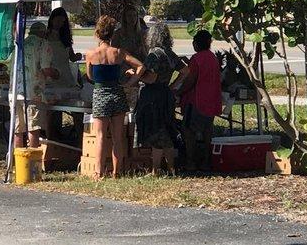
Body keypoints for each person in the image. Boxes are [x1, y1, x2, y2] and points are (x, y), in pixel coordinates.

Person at [86, 15, 144, 179]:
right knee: (118, 136)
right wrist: (130, 82)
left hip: (100, 93)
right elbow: (140, 66)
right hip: (117, 93)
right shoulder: (118, 53)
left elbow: (90, 76)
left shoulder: (91, 54)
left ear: (97, 34)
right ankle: (117, 171)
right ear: (112, 34)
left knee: (101, 135)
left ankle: (99, 171)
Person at [135, 24, 188, 176]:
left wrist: (137, 75)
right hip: (166, 94)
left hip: (153, 96)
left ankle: (168, 169)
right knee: (165, 129)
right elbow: (185, 71)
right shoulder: (170, 53)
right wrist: (172, 85)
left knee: (158, 132)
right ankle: (158, 169)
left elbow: (151, 78)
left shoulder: (154, 54)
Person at [176, 30, 222, 171]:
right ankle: (207, 161)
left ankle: (191, 161)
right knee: (207, 131)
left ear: (196, 43)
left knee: (188, 130)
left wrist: (178, 91)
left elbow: (190, 80)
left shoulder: (196, 59)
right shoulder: (212, 57)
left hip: (197, 101)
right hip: (211, 99)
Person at [11, 22, 59, 148]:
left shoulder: (19, 44)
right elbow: (46, 69)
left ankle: (19, 161)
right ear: (43, 33)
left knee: (18, 129)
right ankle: (32, 162)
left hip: (15, 91)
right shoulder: (43, 44)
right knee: (33, 128)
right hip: (33, 92)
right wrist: (56, 73)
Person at [45, 7, 83, 140]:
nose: (59, 24)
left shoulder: (65, 37)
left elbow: (71, 56)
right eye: (57, 20)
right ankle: (52, 138)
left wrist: (77, 56)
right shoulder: (46, 36)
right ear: (52, 20)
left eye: (62, 22)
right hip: (51, 77)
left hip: (66, 77)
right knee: (52, 111)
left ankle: (80, 136)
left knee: (76, 109)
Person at [110, 5, 146, 109]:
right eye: (129, 16)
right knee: (125, 106)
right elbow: (113, 55)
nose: (132, 18)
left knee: (136, 106)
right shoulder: (118, 34)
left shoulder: (141, 33)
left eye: (135, 15)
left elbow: (145, 54)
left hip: (140, 70)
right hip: (123, 71)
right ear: (124, 18)